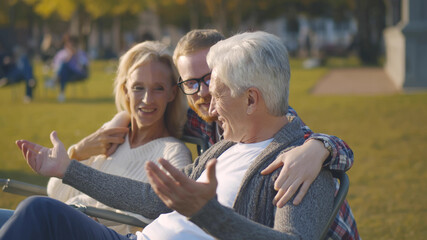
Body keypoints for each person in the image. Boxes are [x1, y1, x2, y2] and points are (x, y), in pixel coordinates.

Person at [5, 31, 336, 239]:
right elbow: (153, 201)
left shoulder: (300, 166)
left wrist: (205, 211)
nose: (208, 106)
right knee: (22, 214)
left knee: (37, 212)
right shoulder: (223, 146)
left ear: (251, 99)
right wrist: (68, 169)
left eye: (217, 93)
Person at [47, 40, 191, 234]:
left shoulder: (173, 153)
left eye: (158, 88)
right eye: (138, 88)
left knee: (33, 210)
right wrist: (78, 151)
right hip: (64, 227)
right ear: (125, 90)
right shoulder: (110, 137)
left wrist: (93, 220)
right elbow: (55, 192)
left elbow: (162, 218)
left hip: (88, 233)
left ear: (172, 93)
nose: (147, 99)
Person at [51, 35, 89, 102]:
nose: (71, 45)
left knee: (64, 67)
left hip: (77, 73)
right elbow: (55, 66)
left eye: (72, 43)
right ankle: (61, 93)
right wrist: (69, 57)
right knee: (64, 69)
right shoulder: (61, 53)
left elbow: (84, 65)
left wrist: (76, 56)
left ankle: (56, 82)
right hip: (65, 74)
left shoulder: (80, 53)